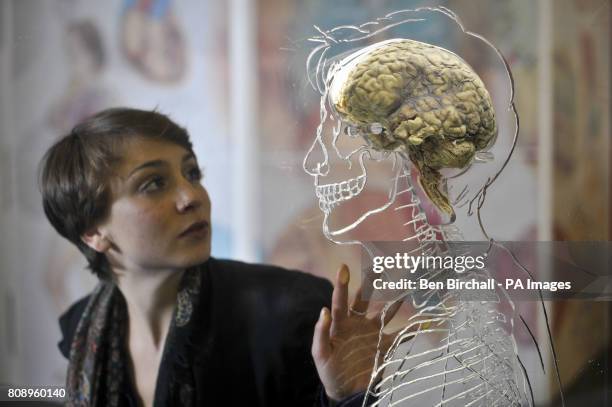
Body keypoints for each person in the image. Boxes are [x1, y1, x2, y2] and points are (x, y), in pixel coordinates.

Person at [40, 107, 394, 406]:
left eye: (192, 173)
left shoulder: (294, 312)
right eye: (153, 184)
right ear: (93, 232)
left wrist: (348, 397)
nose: (192, 196)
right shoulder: (80, 332)